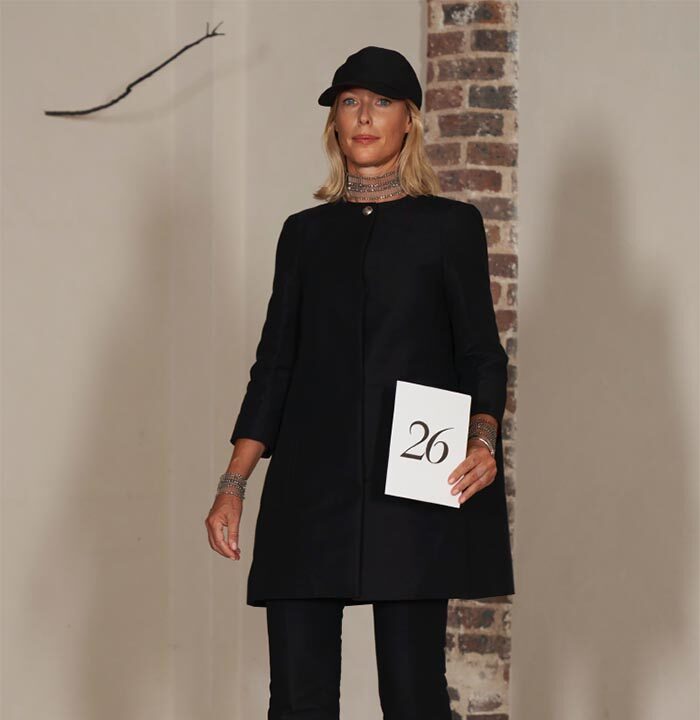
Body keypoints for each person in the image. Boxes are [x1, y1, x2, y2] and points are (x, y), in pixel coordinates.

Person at [205, 46, 515, 720]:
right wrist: (234, 483)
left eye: (381, 102)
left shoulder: (450, 226)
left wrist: (483, 438)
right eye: (350, 102)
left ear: (410, 120)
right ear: (335, 123)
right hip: (309, 489)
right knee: (297, 699)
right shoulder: (303, 235)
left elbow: (482, 354)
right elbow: (274, 364)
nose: (365, 116)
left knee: (413, 696)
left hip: (412, 480)